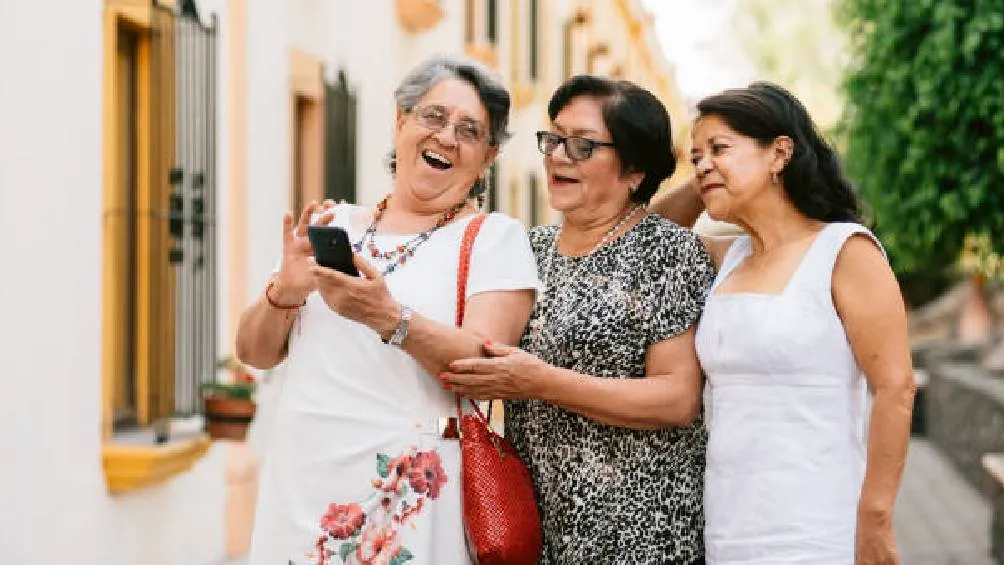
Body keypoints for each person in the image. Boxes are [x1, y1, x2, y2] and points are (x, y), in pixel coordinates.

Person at [237, 56, 540, 565]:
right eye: (434, 117)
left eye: (470, 130)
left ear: (487, 157)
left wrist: (390, 319)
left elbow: (487, 366)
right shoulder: (335, 224)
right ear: (401, 121)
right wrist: (284, 292)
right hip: (302, 484)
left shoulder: (494, 239)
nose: (447, 137)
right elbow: (254, 353)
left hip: (407, 492)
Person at [442, 76, 715, 564]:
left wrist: (541, 382)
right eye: (553, 139)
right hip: (536, 529)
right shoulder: (529, 249)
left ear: (634, 170)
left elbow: (676, 398)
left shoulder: (669, 252)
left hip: (640, 534)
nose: (558, 156)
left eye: (583, 145)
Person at [652, 81, 915, 564]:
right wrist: (711, 173)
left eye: (720, 148)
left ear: (780, 154)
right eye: (695, 155)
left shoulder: (844, 251)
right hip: (729, 526)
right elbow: (651, 238)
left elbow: (896, 386)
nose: (703, 162)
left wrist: (875, 516)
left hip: (817, 527)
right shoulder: (727, 259)